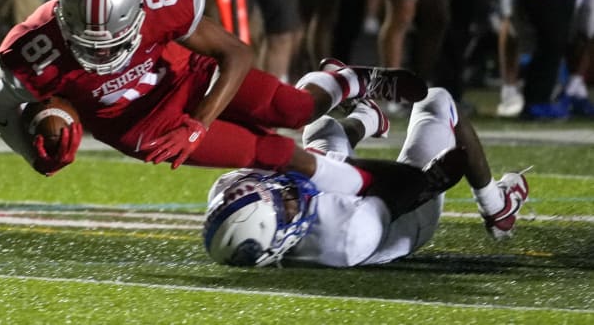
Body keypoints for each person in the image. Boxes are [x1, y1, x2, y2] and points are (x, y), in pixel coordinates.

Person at [0, 0, 428, 193]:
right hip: (144, 125)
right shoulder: (32, 52)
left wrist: (198, 124)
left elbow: (235, 53)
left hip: (191, 78)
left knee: (295, 110)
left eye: (113, 41)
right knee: (275, 153)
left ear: (140, 9)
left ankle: (349, 79)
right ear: (64, 18)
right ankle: (376, 189)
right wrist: (33, 147)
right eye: (87, 44)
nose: (102, 56)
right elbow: (0, 104)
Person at [203, 87, 530, 267]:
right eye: (284, 203)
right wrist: (435, 178)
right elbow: (404, 182)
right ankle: (498, 207)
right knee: (438, 101)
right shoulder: (345, 235)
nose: (285, 191)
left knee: (321, 128)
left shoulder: (234, 197)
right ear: (280, 238)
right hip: (400, 216)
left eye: (272, 190)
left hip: (358, 201)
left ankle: (368, 117)